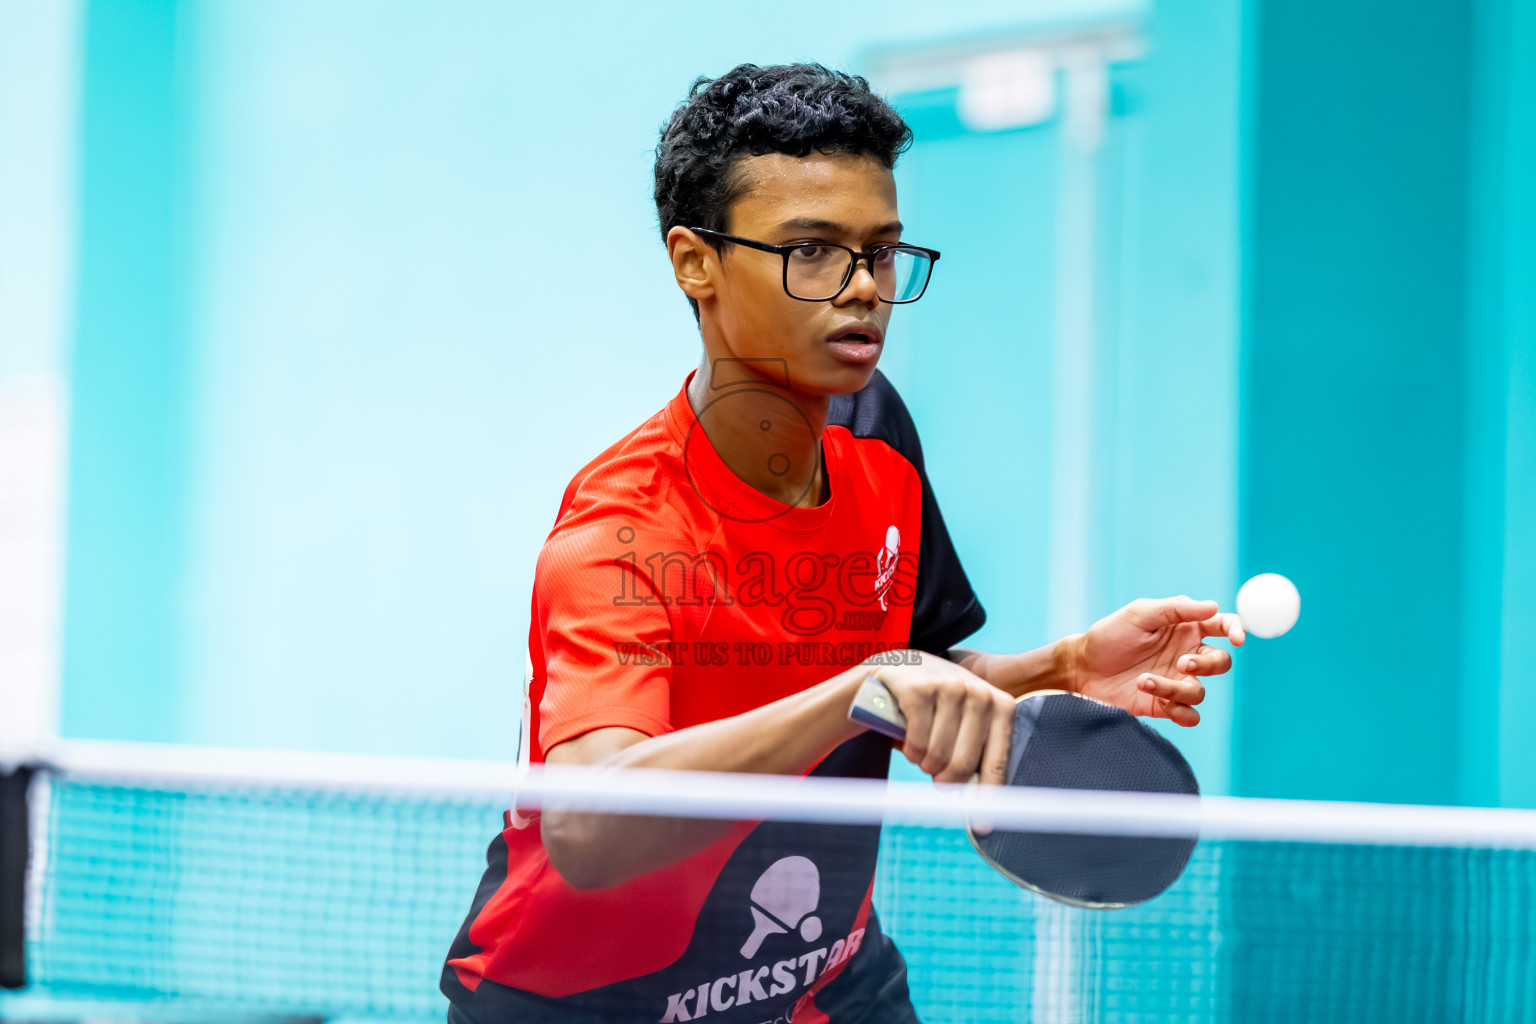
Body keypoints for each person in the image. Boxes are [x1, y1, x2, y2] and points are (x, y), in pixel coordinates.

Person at [441, 62, 1243, 1023]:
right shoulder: (623, 528)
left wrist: (1059, 667)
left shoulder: (873, 431)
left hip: (818, 978)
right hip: (589, 1002)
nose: (861, 288)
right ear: (695, 261)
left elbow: (913, 673)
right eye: (811, 252)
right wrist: (859, 692)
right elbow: (590, 825)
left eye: (882, 252)